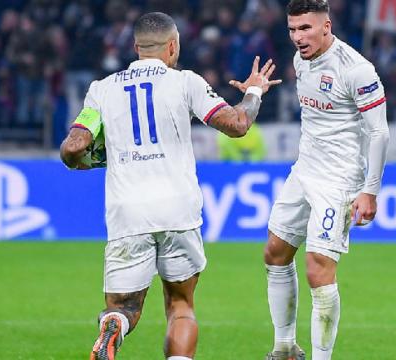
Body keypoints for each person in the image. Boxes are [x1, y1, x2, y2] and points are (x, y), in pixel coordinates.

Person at [59, 12, 281, 360]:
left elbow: (73, 147)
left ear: (136, 48)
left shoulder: (101, 90)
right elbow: (238, 125)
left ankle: (114, 323)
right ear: (173, 46)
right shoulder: (185, 82)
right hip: (178, 210)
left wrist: (92, 160)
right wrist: (254, 91)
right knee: (180, 305)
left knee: (125, 306)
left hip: (128, 213)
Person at [263, 1, 391, 359]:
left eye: (305, 28)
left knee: (318, 269)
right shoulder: (300, 61)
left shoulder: (357, 70)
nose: (297, 38)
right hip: (304, 171)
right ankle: (285, 347)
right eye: (292, 29)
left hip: (339, 181)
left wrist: (370, 190)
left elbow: (379, 133)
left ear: (326, 26)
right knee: (275, 252)